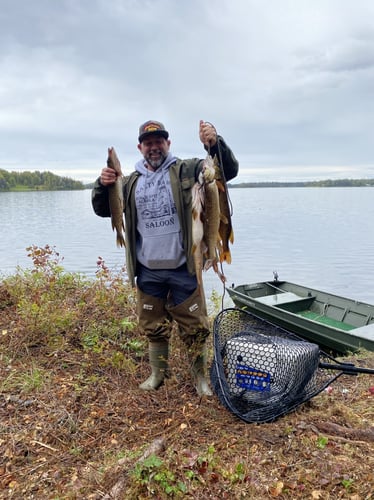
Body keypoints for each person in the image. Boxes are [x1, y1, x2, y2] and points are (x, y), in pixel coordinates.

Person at [92, 120, 239, 396]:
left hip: (185, 266)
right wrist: (103, 185)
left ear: (168, 144)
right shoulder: (130, 181)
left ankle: (200, 379)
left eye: (159, 141)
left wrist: (215, 144)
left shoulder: (188, 170)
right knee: (153, 326)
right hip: (148, 268)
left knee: (195, 327)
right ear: (140, 147)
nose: (154, 147)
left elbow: (226, 172)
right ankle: (158, 373)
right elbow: (103, 209)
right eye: (148, 143)